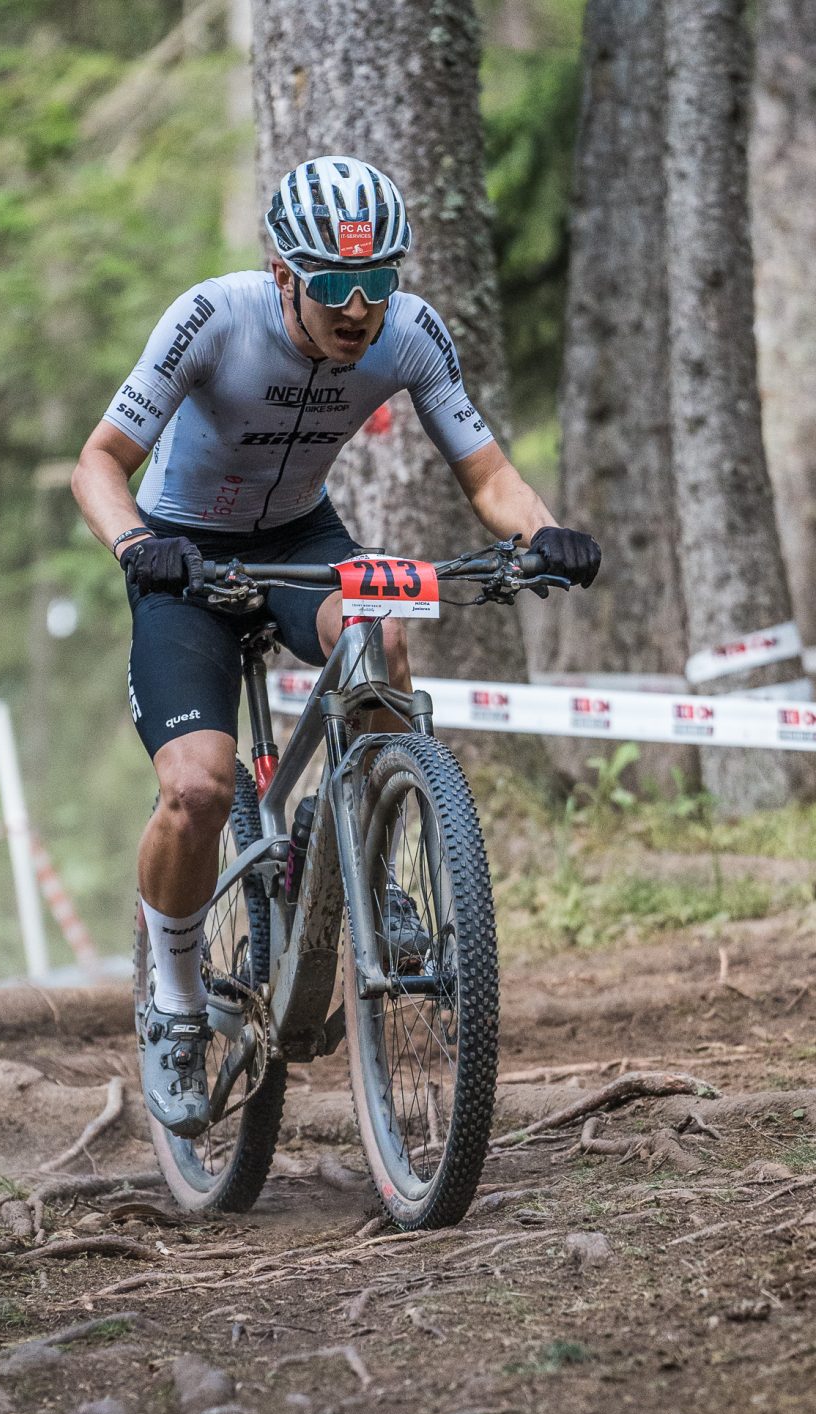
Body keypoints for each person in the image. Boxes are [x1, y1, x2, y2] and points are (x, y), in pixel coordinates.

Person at [72, 155, 600, 1138]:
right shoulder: (211, 318)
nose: (357, 309)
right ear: (283, 273)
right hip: (185, 555)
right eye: (332, 286)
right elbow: (98, 463)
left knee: (378, 641)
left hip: (301, 544)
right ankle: (177, 1002)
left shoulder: (407, 333)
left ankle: (367, 857)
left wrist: (541, 534)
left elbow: (487, 476)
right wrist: (139, 545)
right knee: (194, 790)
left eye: (376, 283)